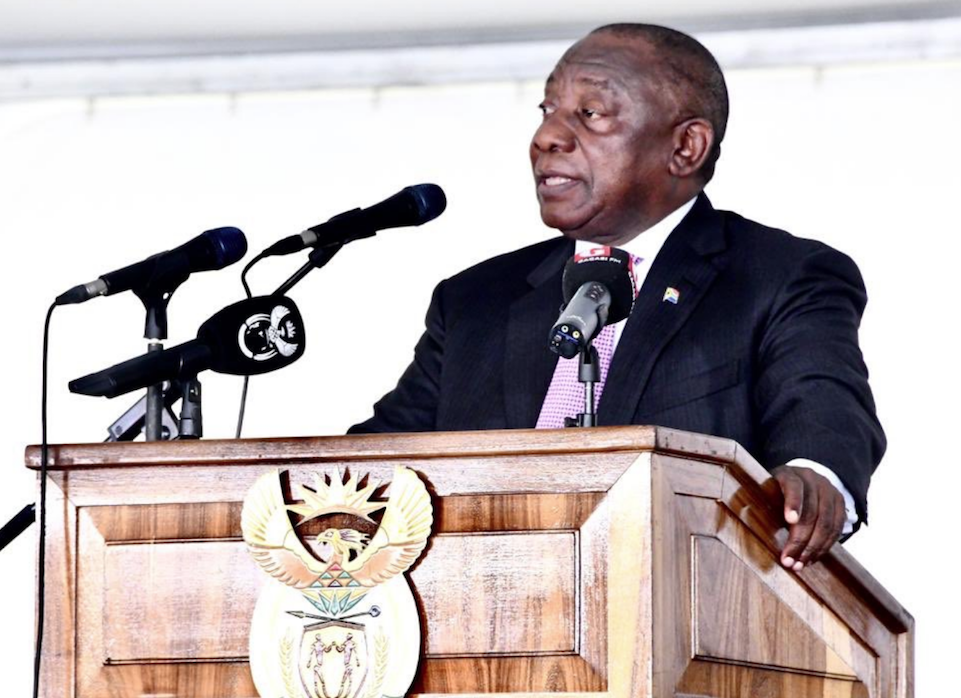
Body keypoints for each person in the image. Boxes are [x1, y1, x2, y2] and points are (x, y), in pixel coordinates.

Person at [350, 24, 885, 570]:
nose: (547, 137)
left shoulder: (780, 277)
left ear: (685, 147)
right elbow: (376, 465)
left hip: (678, 601)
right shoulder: (474, 301)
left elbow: (824, 412)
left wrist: (814, 478)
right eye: (547, 110)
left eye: (591, 113)